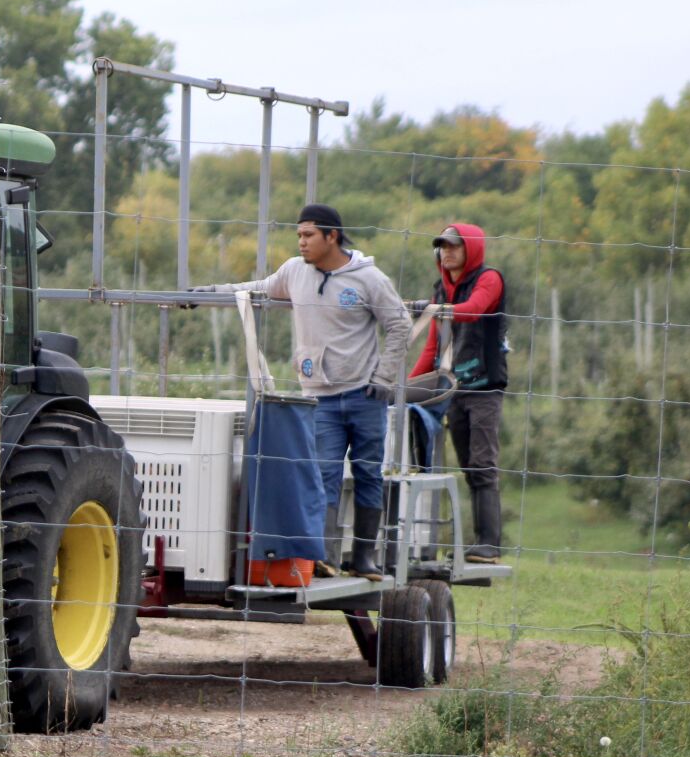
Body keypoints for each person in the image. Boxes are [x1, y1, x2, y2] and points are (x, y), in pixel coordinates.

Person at [189, 203, 409, 579]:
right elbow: (254, 289)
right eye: (299, 236)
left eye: (308, 236)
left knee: (368, 473)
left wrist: (384, 379)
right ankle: (320, 556)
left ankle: (364, 557)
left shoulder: (369, 279)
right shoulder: (294, 272)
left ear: (332, 236)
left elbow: (400, 324)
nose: (301, 243)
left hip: (364, 396)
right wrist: (210, 293)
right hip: (319, 397)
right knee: (321, 475)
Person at [410, 223, 506, 563]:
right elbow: (433, 346)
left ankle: (489, 544)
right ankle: (479, 542)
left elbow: (476, 308)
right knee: (468, 464)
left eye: (454, 245)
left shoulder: (488, 279)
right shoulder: (441, 291)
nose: (447, 251)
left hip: (484, 389)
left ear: (471, 249)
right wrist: (405, 387)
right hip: (454, 389)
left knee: (482, 463)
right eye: (442, 246)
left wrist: (434, 309)